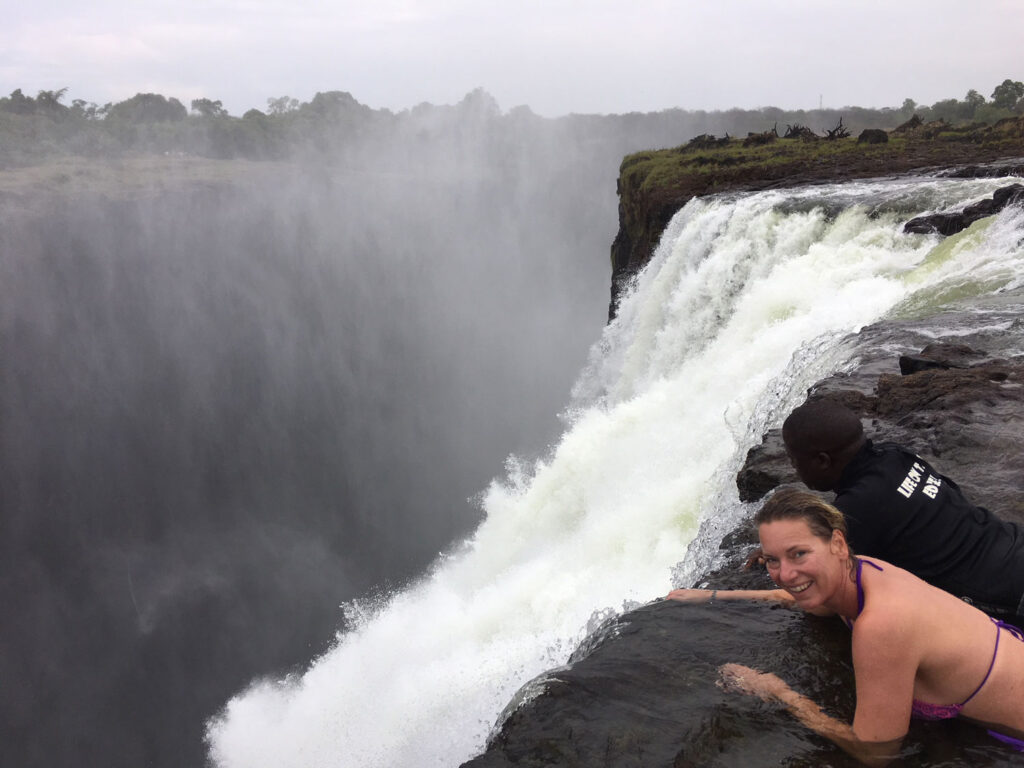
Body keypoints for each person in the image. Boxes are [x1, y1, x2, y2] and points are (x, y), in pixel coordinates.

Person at [675, 488, 1024, 765]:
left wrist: (778, 692)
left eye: (799, 554)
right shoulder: (864, 570)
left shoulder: (881, 626)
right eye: (772, 560)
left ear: (838, 544)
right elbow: (795, 594)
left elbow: (877, 752)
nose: (786, 574)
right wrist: (715, 595)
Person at [768, 398, 1024, 622]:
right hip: (1014, 542)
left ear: (822, 461)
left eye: (794, 460)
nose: (794, 468)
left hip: (1006, 594)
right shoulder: (897, 454)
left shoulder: (855, 510)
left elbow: (824, 601)